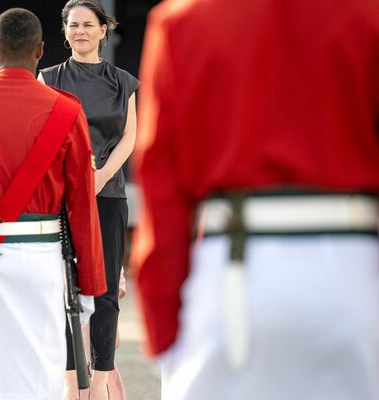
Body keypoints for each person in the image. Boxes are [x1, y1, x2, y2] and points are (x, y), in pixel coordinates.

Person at [133, 0, 379, 399]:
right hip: (354, 270)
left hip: (232, 266)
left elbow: (162, 183)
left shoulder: (181, 21)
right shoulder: (368, 16)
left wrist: (164, 327)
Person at [0, 8, 107, 400]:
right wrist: (91, 283)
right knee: (44, 376)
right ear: (40, 50)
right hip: (41, 258)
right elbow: (81, 205)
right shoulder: (66, 110)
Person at [39, 1, 138, 398]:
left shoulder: (124, 82)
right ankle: (70, 379)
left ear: (103, 30)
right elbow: (43, 135)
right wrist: (76, 181)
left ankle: (99, 381)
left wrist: (100, 176)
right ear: (65, 32)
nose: (80, 31)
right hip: (62, 196)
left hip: (108, 193)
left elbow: (129, 137)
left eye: (87, 24)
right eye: (73, 25)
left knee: (106, 289)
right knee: (62, 285)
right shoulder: (49, 78)